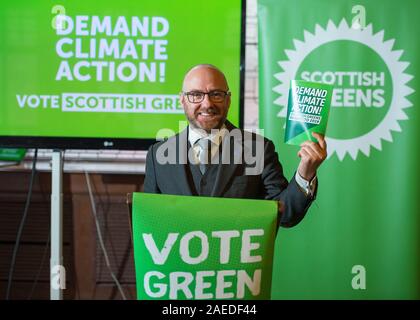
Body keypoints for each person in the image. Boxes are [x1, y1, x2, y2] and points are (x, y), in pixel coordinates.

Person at [144, 64, 327, 227]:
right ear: (182, 99)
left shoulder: (259, 149)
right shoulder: (157, 155)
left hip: (235, 265)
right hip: (178, 264)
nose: (206, 103)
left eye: (216, 94)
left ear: (228, 100)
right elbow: (149, 221)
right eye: (196, 95)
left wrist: (305, 173)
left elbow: (284, 215)